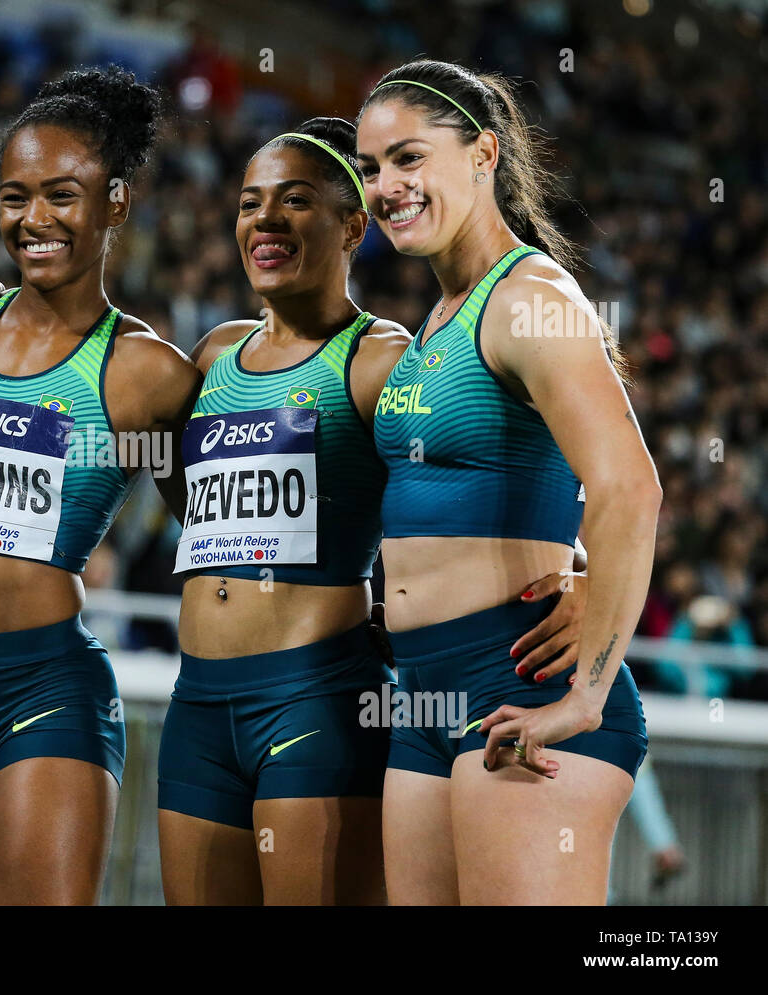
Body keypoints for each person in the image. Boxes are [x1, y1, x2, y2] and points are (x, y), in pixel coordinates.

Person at [158, 119, 584, 905]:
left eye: (295, 202)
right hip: (196, 704)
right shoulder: (215, 354)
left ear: (354, 225)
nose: (267, 220)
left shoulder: (379, 357)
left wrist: (577, 566)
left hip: (313, 696)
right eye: (251, 203)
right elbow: (181, 485)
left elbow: (500, 458)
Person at [0, 67, 201, 905]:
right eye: (16, 197)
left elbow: (222, 530)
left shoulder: (144, 374)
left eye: (63, 194)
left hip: (43, 692)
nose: (35, 220)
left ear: (116, 203)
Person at [357, 59, 659, 904]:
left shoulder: (528, 297)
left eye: (409, 158)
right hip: (422, 698)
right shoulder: (440, 316)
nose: (386, 185)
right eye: (372, 167)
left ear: (484, 153)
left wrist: (588, 692)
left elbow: (631, 489)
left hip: (518, 682)